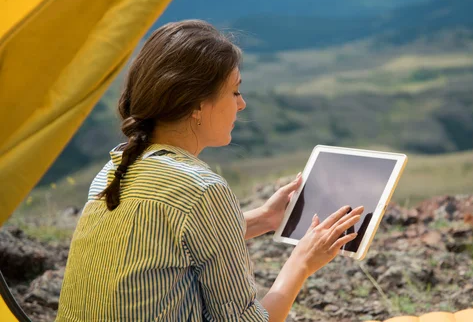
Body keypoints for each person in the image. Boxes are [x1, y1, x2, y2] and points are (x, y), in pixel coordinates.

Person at [56, 20, 364, 322]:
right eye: (234, 92)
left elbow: (167, 243)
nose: (241, 104)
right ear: (197, 105)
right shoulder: (202, 189)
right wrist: (302, 261)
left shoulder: (114, 170)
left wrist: (265, 219)